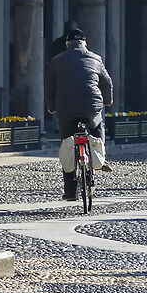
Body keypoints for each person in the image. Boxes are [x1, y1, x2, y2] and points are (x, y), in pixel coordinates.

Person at [44, 30, 114, 202]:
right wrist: (107, 101)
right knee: (97, 126)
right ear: (85, 44)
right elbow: (107, 82)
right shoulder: (96, 59)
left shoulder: (56, 60)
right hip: (91, 107)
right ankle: (101, 158)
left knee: (68, 144)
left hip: (66, 109)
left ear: (67, 45)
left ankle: (70, 192)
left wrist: (51, 108)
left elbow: (49, 87)